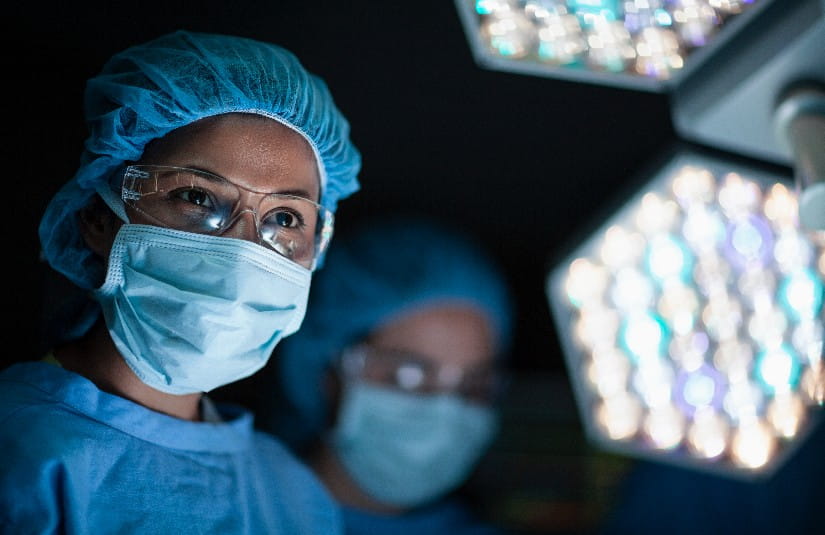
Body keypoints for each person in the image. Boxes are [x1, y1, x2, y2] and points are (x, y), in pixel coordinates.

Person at [0, 30, 360, 533]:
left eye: (284, 218)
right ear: (100, 218)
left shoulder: (295, 498)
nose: (245, 252)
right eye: (195, 197)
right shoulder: (21, 451)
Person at [259, 215, 515, 535]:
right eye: (408, 376)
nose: (444, 410)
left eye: (473, 387)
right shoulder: (234, 514)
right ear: (328, 371)